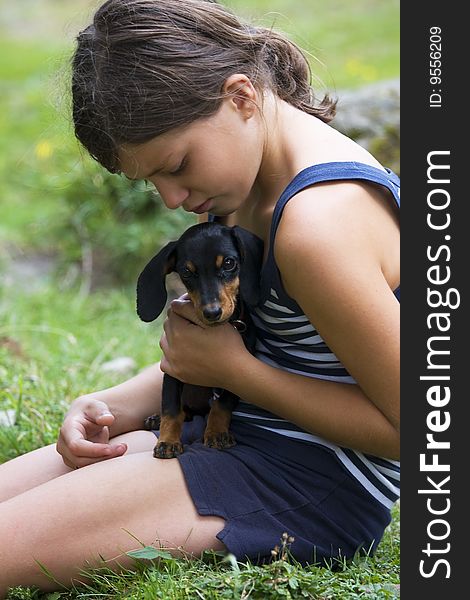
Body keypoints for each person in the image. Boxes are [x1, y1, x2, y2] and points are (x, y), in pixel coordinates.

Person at [0, 0, 400, 594]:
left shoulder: (319, 224)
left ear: (240, 95)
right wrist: (115, 399)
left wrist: (237, 373)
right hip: (238, 433)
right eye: (152, 181)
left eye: (178, 164)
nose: (169, 199)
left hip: (307, 483)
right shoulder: (248, 185)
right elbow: (272, 346)